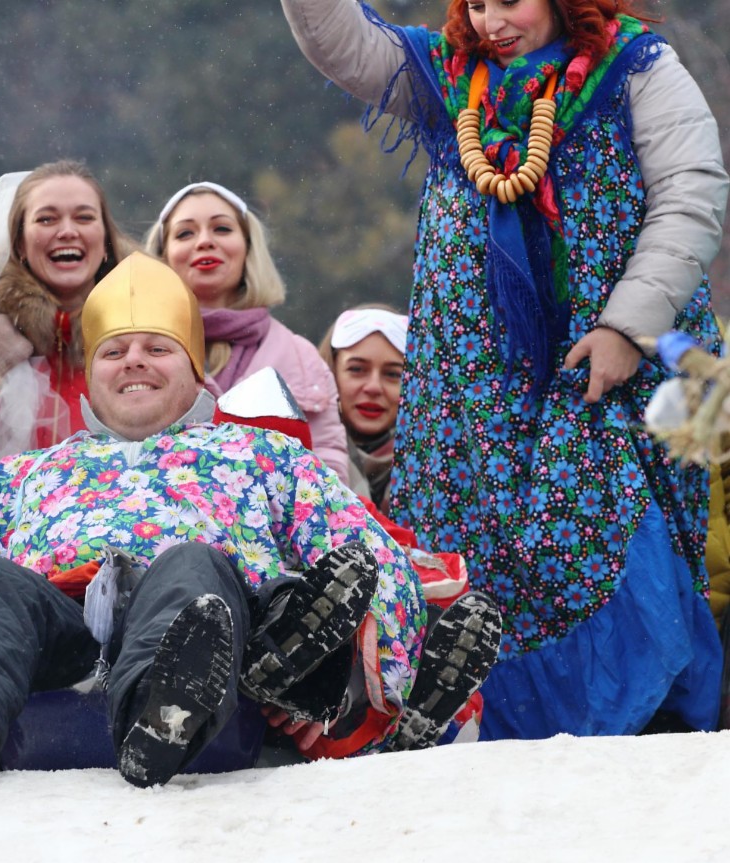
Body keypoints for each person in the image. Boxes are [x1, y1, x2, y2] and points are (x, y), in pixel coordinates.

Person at [0, 252, 497, 787]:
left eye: (158, 347)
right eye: (114, 351)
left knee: (192, 568)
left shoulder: (260, 453)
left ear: (197, 370)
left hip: (209, 638)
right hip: (53, 643)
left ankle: (164, 712)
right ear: (91, 376)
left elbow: (359, 546)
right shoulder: (19, 475)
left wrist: (394, 664)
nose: (134, 362)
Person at [281, 0, 729, 738]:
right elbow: (342, 44)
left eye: (511, 0)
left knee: (607, 537)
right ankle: (473, 729)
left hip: (600, 368)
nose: (493, 22)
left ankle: (636, 739)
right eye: (477, 3)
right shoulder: (447, 74)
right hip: (468, 394)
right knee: (470, 560)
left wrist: (626, 327)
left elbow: (691, 194)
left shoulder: (635, 67)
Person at [0, 160, 138, 514]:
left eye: (84, 217)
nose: (67, 231)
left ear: (106, 242)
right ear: (20, 243)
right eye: (47, 219)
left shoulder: (141, 338)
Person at [144, 182, 350, 482]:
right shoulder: (131, 353)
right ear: (162, 257)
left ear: (249, 247)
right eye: (185, 233)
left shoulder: (301, 356)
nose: (205, 241)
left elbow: (330, 474)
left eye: (222, 228)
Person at [318, 304, 408, 513]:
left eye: (393, 374)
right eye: (357, 369)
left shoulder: (434, 472)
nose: (373, 387)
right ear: (331, 372)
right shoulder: (296, 457)